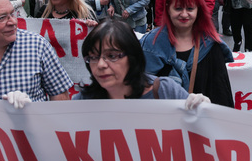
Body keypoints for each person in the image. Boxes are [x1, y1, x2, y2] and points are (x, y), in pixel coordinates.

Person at [0, 0, 73, 106]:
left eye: (12, 14)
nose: (13, 22)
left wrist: (33, 112)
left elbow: (60, 97)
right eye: (2, 18)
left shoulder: (36, 46)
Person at [73, 19, 209, 109]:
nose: (101, 64)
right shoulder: (82, 103)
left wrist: (204, 112)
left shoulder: (165, 91)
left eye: (112, 56)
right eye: (94, 57)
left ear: (132, 57)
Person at [140, 0, 235, 107]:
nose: (184, 14)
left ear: (198, 10)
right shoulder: (150, 44)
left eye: (190, 8)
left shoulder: (211, 46)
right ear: (168, 8)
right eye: (178, 8)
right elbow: (139, 93)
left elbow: (222, 97)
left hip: (200, 123)